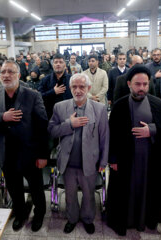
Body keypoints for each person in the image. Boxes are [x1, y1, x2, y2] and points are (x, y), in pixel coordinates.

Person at [0, 60, 49, 232]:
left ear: (18, 75)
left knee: (36, 189)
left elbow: (43, 127)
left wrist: (43, 155)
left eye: (11, 72)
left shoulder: (33, 96)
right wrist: (2, 117)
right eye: (3, 72)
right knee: (14, 189)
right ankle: (20, 214)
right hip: (7, 153)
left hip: (30, 154)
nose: (6, 75)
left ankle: (39, 214)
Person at [107, 65, 161, 236]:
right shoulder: (120, 105)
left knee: (147, 191)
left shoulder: (157, 103)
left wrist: (151, 130)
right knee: (124, 192)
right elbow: (111, 134)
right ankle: (125, 221)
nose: (142, 88)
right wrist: (112, 158)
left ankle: (144, 220)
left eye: (145, 84)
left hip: (150, 161)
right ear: (129, 84)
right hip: (125, 159)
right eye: (138, 84)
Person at [48, 73, 109, 234]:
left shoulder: (99, 109)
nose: (78, 90)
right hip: (68, 161)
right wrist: (69, 124)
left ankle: (88, 218)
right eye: (74, 87)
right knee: (70, 195)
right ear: (70, 88)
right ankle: (72, 218)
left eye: (82, 87)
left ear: (88, 88)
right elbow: (52, 130)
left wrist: (103, 161)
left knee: (89, 195)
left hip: (89, 161)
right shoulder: (60, 107)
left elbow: (104, 137)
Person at [39, 53, 72, 119]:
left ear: (65, 65)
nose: (58, 64)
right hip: (50, 115)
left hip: (68, 115)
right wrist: (53, 92)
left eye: (61, 62)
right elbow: (39, 97)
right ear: (53, 65)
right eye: (56, 62)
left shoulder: (72, 79)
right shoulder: (45, 80)